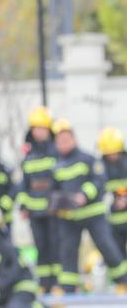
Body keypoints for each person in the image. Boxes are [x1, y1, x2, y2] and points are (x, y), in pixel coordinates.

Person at [50, 119, 127, 294]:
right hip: (69, 218)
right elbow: (53, 190)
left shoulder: (88, 159)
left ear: (74, 139)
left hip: (94, 215)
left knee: (108, 247)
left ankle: (123, 282)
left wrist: (84, 195)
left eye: (67, 139)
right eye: (60, 141)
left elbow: (98, 181)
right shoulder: (56, 165)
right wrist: (58, 202)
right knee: (68, 253)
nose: (64, 144)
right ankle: (68, 288)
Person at [17, 106, 59, 290]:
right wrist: (24, 206)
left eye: (41, 128)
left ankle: (57, 282)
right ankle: (44, 283)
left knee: (55, 245)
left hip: (53, 207)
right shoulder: (29, 155)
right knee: (40, 246)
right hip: (35, 210)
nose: (38, 132)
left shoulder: (56, 150)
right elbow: (25, 183)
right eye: (35, 128)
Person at [97, 126, 127, 254]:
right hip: (111, 220)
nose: (112, 156)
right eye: (108, 153)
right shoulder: (99, 167)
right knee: (117, 254)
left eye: (114, 152)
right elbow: (99, 190)